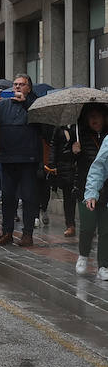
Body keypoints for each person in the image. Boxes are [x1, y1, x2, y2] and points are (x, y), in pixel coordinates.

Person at [0, 75, 42, 246]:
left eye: (22, 85)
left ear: (29, 88)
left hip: (28, 159)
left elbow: (41, 123)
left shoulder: (35, 104)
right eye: (15, 84)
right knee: (7, 197)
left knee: (29, 197)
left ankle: (27, 234)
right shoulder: (3, 104)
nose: (17, 87)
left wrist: (26, 103)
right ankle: (7, 232)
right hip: (7, 158)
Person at [70, 105, 108, 277]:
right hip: (87, 188)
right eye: (91, 116)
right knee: (88, 227)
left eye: (98, 116)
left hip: (106, 191)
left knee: (105, 230)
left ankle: (103, 266)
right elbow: (97, 168)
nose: (95, 120)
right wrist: (74, 152)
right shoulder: (80, 137)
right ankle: (83, 255)